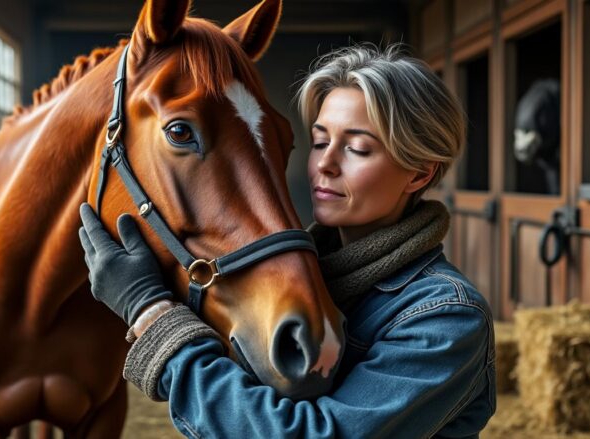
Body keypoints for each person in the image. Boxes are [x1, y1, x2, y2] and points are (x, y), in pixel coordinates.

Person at [78, 43, 496, 438]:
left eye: (357, 148)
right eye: (319, 142)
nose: (324, 165)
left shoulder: (446, 317)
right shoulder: (301, 282)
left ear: (420, 174)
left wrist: (151, 313)